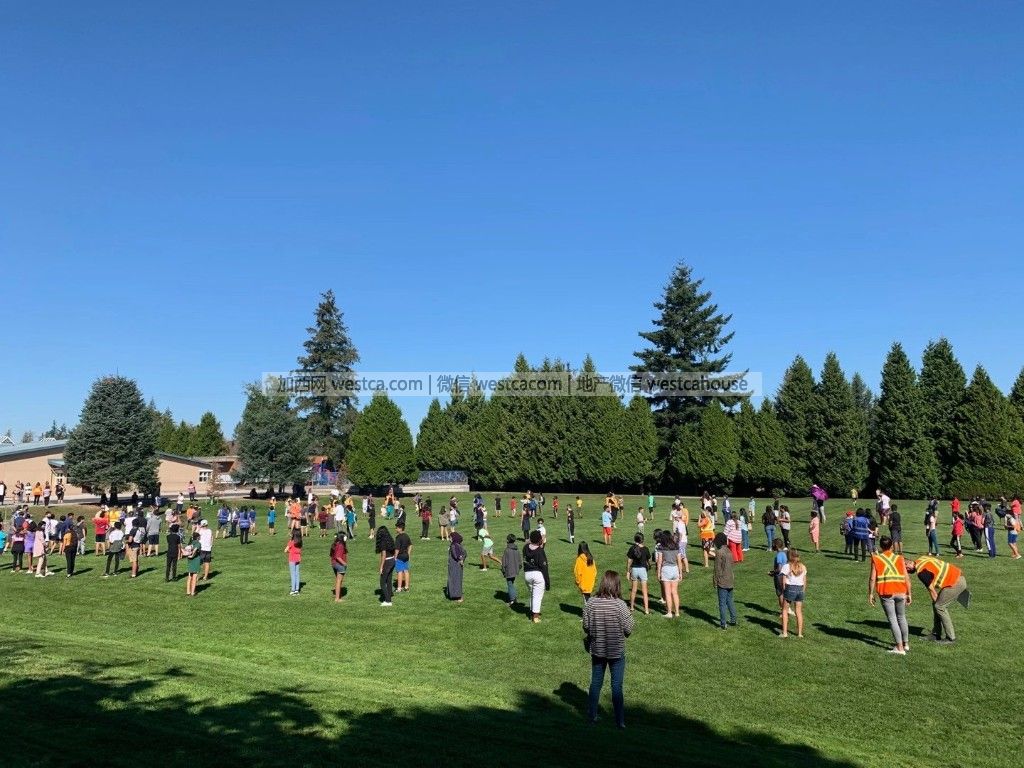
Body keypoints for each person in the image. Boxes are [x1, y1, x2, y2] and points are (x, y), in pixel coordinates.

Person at [583, 571, 634, 729]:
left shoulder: (591, 603)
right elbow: (628, 629)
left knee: (595, 683)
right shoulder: (620, 605)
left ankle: (592, 715)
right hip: (616, 651)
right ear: (617, 585)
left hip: (598, 649)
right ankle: (620, 721)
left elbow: (586, 626)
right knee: (616, 686)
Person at [907, 554, 969, 645]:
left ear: (907, 565)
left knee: (939, 606)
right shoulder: (922, 558)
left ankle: (950, 638)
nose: (908, 572)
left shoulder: (921, 572)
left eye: (906, 570)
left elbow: (932, 591)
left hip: (955, 583)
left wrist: (936, 603)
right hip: (958, 577)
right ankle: (936, 634)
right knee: (936, 605)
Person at [868, 536, 912, 654]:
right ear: (892, 546)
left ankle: (899, 647)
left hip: (886, 591)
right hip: (901, 590)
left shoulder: (876, 558)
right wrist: (909, 593)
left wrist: (871, 593)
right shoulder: (900, 558)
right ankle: (906, 644)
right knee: (901, 617)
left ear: (881, 547)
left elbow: (872, 578)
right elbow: (906, 577)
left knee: (892, 619)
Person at [523, 530, 550, 623]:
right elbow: (544, 567)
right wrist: (547, 582)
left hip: (527, 574)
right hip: (537, 575)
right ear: (539, 540)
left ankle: (531, 612)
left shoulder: (525, 547)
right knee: (537, 596)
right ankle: (535, 617)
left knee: (532, 594)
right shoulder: (540, 551)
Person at [779, 549, 807, 638]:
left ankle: (784, 633)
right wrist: (803, 590)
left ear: (789, 557)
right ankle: (800, 634)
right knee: (798, 611)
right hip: (800, 589)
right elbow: (804, 581)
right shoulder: (803, 566)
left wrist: (784, 590)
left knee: (785, 610)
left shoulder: (786, 566)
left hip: (790, 588)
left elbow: (783, 581)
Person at [656, 530, 682, 619]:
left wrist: (658, 573)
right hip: (675, 569)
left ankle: (669, 612)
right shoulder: (676, 546)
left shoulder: (661, 547)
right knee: (675, 592)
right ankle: (677, 612)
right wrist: (680, 573)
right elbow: (679, 561)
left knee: (667, 593)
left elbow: (659, 562)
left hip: (666, 569)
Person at [712, 532, 737, 629]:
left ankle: (723, 623)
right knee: (730, 601)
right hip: (730, 579)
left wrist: (715, 581)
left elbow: (717, 568)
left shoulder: (719, 552)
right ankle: (733, 619)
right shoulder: (729, 551)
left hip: (722, 581)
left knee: (722, 603)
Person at [625, 533, 651, 615]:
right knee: (644, 591)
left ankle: (632, 607)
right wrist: (649, 565)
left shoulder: (632, 548)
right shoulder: (646, 549)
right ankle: (646, 610)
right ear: (642, 540)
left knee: (633, 590)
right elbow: (648, 560)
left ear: (634, 539)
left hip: (634, 570)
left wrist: (628, 571)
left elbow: (629, 561)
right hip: (643, 570)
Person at [375, 526, 396, 606]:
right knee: (389, 580)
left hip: (387, 562)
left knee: (382, 582)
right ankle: (390, 594)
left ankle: (388, 601)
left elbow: (383, 555)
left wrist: (381, 567)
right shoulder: (390, 540)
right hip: (392, 560)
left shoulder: (382, 542)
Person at [501, 533, 521, 606]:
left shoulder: (507, 550)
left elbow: (504, 562)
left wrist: (503, 571)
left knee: (510, 584)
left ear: (508, 540)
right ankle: (514, 597)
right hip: (515, 570)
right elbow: (520, 562)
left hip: (509, 571)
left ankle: (512, 600)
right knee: (511, 584)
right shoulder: (516, 549)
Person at [447, 531, 466, 603]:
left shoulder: (454, 545)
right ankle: (455, 595)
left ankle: (459, 596)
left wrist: (460, 559)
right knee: (455, 580)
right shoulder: (458, 545)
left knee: (456, 580)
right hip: (456, 565)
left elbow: (456, 555)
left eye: (450, 538)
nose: (449, 539)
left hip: (455, 566)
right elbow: (464, 553)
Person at [394, 521, 412, 592]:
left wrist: (395, 557)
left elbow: (397, 549)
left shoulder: (398, 537)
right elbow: (410, 545)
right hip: (406, 556)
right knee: (406, 571)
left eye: (397, 528)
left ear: (400, 528)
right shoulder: (406, 536)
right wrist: (408, 554)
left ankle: (399, 588)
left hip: (400, 556)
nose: (396, 529)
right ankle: (406, 587)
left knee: (399, 571)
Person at [183, 532, 202, 596]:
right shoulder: (198, 543)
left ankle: (188, 592)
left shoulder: (190, 542)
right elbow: (195, 550)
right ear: (197, 537)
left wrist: (189, 556)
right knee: (194, 577)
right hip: (195, 561)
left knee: (189, 576)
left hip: (189, 561)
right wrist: (192, 556)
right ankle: (192, 592)